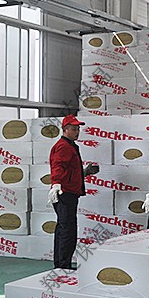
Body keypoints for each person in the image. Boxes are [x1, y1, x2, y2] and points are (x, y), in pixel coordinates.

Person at [48, 114, 98, 269]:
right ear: (65, 130)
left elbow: (69, 170)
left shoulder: (70, 146)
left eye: (78, 129)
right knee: (67, 230)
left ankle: (61, 264)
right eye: (74, 129)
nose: (77, 132)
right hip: (65, 193)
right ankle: (63, 265)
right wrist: (56, 183)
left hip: (67, 192)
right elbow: (58, 166)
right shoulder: (64, 147)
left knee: (64, 228)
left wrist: (85, 172)